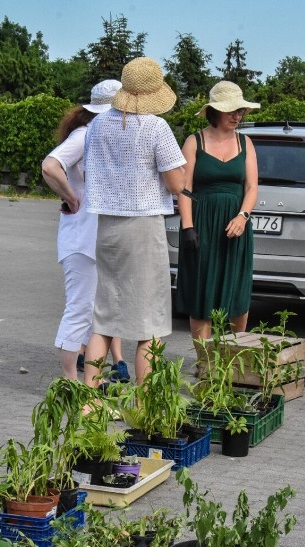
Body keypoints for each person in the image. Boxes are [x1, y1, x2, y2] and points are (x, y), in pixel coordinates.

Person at [81, 57, 186, 387]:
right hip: (142, 226)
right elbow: (176, 184)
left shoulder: (97, 125)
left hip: (106, 225)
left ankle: (89, 400)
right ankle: (144, 403)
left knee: (105, 315)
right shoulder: (156, 127)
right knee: (149, 320)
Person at [41, 79, 130, 382]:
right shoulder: (85, 135)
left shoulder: (100, 136)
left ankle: (91, 382)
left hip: (97, 241)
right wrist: (70, 197)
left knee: (94, 313)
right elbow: (50, 165)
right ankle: (69, 381)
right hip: (81, 240)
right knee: (79, 310)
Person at [175, 81, 260, 339]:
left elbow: (252, 186)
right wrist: (188, 227)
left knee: (237, 293)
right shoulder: (194, 142)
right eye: (232, 110)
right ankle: (205, 364)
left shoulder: (245, 143)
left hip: (236, 226)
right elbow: (184, 189)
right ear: (215, 111)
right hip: (201, 224)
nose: (237, 116)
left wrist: (243, 216)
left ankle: (233, 358)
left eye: (240, 111)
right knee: (202, 293)